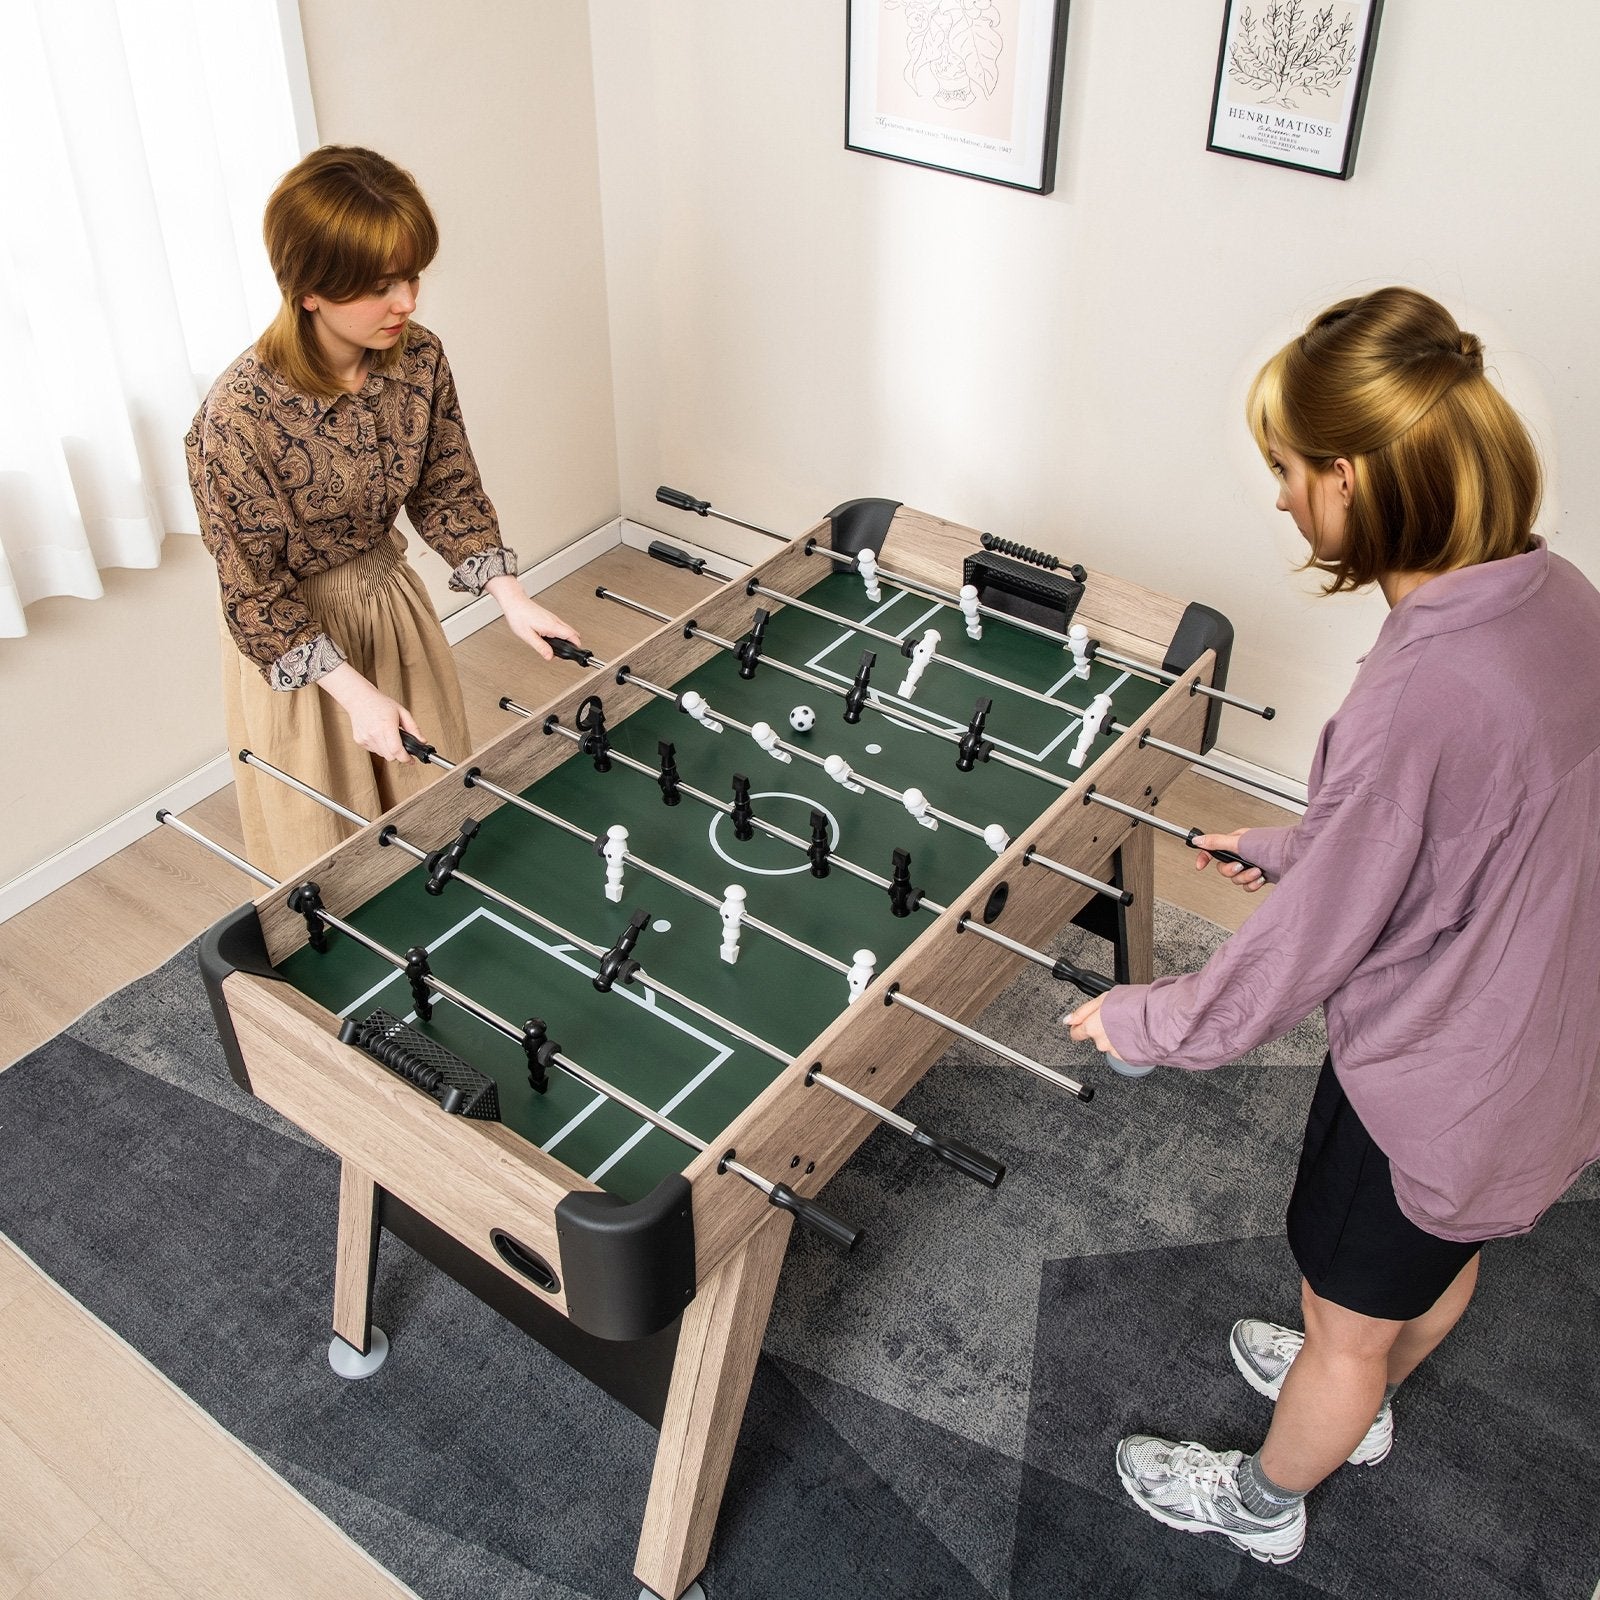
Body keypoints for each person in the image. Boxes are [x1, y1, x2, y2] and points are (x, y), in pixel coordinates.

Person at [1066, 286, 1600, 1564]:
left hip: (1437, 1075)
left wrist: (1147, 1017)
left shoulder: (1416, 688)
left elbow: (1306, 949)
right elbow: (1469, 827)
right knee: (1438, 1248)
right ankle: (1349, 1364)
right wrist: (1300, 842)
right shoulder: (1553, 593)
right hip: (1542, 1056)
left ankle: (1270, 1490)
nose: (1280, 497)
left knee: (1346, 1304)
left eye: (1287, 469)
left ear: (1350, 479)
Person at [186, 145, 580, 880]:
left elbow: (446, 486)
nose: (407, 302)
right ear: (309, 290)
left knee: (433, 811)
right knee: (327, 853)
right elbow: (253, 593)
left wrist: (511, 598)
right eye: (379, 286)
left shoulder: (419, 358)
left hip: (390, 602)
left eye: (411, 276)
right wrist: (355, 694)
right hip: (296, 643)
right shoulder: (236, 417)